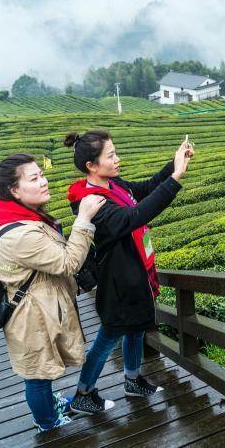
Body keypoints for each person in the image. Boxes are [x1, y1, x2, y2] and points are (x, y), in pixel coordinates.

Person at [64, 130, 193, 414]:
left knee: (135, 330)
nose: (117, 159)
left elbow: (145, 189)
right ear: (91, 165)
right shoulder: (93, 203)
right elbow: (134, 216)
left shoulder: (113, 184)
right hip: (118, 282)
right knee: (108, 337)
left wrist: (174, 162)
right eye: (110, 155)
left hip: (136, 274)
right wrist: (175, 179)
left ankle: (132, 380)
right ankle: (83, 393)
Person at [0, 153, 107, 432]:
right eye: (34, 178)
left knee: (41, 370)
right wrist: (84, 219)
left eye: (42, 174)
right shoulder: (20, 235)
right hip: (30, 318)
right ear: (14, 191)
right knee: (37, 375)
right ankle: (47, 423)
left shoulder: (21, 218)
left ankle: (49, 408)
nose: (44, 181)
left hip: (37, 309)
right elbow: (67, 263)